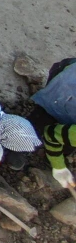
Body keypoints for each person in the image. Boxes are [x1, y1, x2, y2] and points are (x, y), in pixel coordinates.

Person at [30, 57, 76, 188]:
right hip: (66, 86)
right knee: (38, 123)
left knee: (67, 143)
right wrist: (59, 167)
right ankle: (16, 143)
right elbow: (51, 134)